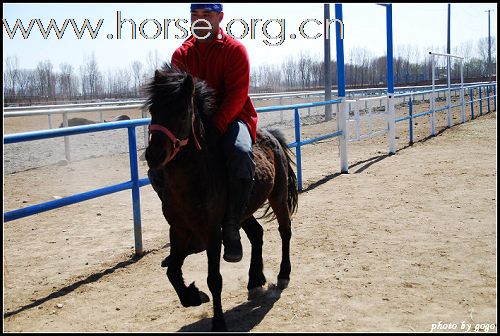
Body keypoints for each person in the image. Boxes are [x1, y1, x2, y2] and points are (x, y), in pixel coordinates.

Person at [148, 3, 258, 263]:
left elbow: (236, 95)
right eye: (195, 15)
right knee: (157, 167)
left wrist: (216, 127)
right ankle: (189, 226)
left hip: (232, 118)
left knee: (241, 154)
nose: (200, 20)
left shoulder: (235, 51)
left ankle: (231, 225)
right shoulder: (181, 55)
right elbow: (176, 101)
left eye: (206, 15)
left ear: (219, 18)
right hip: (196, 125)